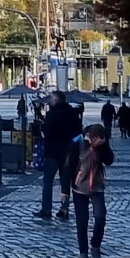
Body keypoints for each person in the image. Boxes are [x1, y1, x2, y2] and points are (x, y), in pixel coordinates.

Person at [69, 122, 115, 258]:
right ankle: (83, 253)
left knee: (100, 217)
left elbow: (109, 161)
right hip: (79, 187)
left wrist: (104, 145)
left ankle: (95, 245)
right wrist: (65, 189)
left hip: (97, 186)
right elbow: (68, 164)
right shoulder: (78, 143)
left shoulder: (102, 146)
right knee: (82, 220)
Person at [35, 91, 81, 220]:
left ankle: (46, 209)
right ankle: (64, 209)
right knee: (65, 182)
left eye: (51, 99)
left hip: (53, 153)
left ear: (56, 100)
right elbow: (79, 133)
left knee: (47, 181)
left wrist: (43, 127)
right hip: (69, 153)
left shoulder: (52, 114)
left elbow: (47, 132)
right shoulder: (72, 113)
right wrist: (73, 145)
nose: (50, 101)